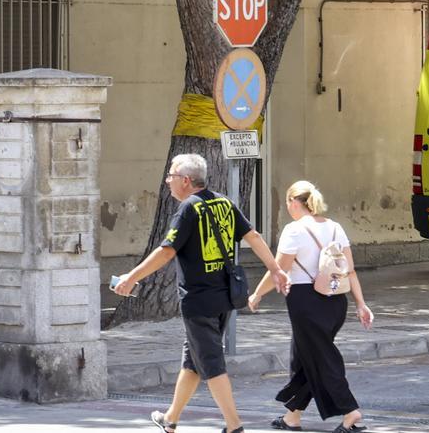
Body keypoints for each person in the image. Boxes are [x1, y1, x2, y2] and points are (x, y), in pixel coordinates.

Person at [112, 153, 291, 433]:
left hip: (199, 301)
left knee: (211, 363)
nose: (168, 181)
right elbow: (253, 236)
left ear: (185, 180)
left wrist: (130, 278)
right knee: (193, 360)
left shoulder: (188, 208)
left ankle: (234, 425)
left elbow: (166, 252)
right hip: (224, 298)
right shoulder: (224, 203)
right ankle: (170, 418)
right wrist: (275, 269)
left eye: (171, 176)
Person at [249, 180, 374, 433]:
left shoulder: (294, 230)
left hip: (306, 301)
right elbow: (350, 270)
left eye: (288, 202)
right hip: (336, 300)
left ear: (294, 202)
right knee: (303, 356)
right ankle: (292, 417)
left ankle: (350, 411)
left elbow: (279, 270)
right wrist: (361, 304)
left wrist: (257, 294)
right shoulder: (336, 228)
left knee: (322, 358)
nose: (288, 207)